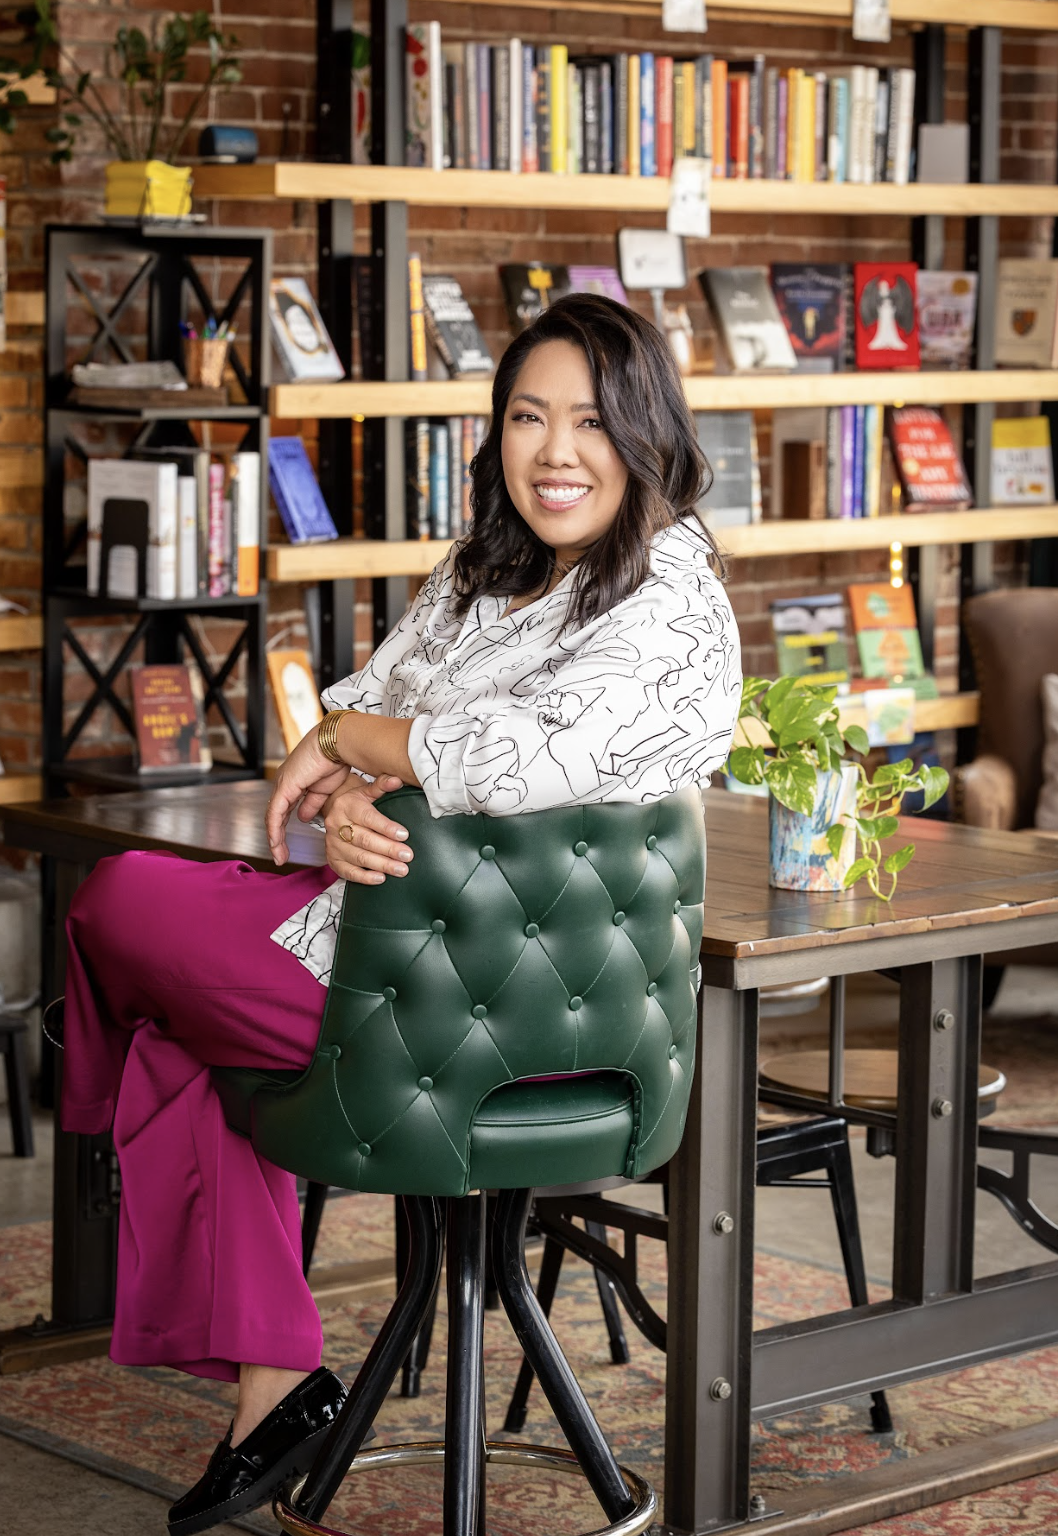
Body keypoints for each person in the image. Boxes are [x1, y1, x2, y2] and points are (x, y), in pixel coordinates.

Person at [55, 292, 742, 1536]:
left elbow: (519, 756)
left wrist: (361, 751)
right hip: (396, 961)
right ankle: (271, 1391)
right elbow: (375, 700)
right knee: (169, 1007)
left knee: (119, 910)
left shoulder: (671, 594)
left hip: (519, 1010)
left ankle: (101, 1140)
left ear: (644, 431)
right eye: (526, 415)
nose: (553, 452)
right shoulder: (488, 569)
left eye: (589, 421)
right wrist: (364, 785)